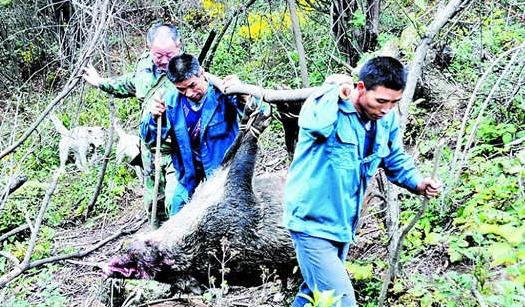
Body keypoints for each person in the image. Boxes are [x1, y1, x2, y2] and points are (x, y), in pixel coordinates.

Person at [283, 56, 441, 306]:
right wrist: (334, 90)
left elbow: (394, 158)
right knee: (340, 301)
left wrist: (418, 183)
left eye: (394, 102)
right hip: (311, 223)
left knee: (313, 294)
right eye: (381, 100)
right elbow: (313, 124)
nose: (387, 109)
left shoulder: (384, 119)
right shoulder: (329, 110)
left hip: (343, 223)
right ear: (360, 88)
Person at [81, 23, 183, 222]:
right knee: (154, 204)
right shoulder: (144, 66)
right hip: (150, 149)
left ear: (178, 47)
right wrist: (101, 82)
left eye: (169, 55)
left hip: (178, 149)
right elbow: (130, 83)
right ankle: (156, 247)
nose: (163, 61)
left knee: (176, 202)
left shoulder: (188, 68)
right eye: (158, 55)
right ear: (148, 48)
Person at [140, 53, 251, 215]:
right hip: (189, 179)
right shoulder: (170, 102)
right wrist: (154, 117)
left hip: (224, 177)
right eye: (181, 89)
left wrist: (243, 94)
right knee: (176, 214)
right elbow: (149, 139)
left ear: (201, 73)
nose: (189, 93)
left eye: (192, 85)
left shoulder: (223, 93)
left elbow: (260, 113)